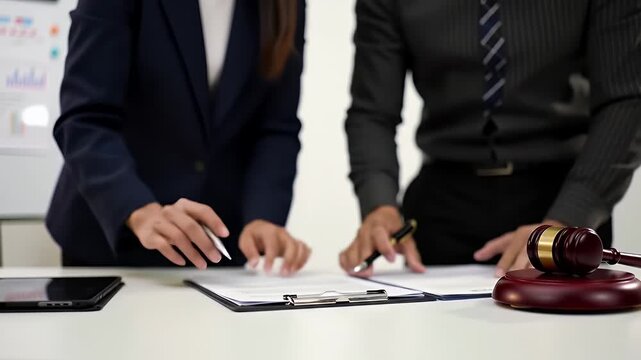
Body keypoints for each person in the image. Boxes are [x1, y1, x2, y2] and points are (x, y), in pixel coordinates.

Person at [340, 0, 641, 277]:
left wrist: (569, 216)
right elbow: (372, 111)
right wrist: (379, 207)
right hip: (441, 209)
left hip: (565, 196)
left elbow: (626, 100)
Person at [46, 0, 311, 275]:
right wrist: (138, 209)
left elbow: (276, 128)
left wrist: (263, 216)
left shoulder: (288, 5)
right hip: (109, 239)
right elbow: (85, 118)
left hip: (218, 252)